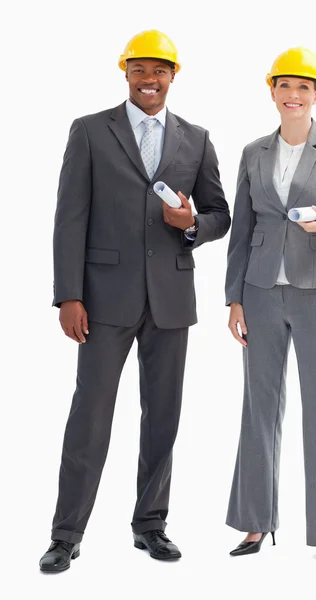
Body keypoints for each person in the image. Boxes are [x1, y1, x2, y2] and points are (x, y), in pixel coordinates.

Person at [39, 29, 230, 572]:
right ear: (125, 73)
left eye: (160, 71)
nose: (150, 80)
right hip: (102, 300)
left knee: (163, 417)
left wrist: (192, 223)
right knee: (90, 416)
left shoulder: (196, 138)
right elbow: (68, 218)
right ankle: (65, 533)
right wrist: (68, 295)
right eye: (140, 70)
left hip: (170, 298)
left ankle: (150, 524)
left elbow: (221, 215)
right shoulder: (91, 131)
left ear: (174, 76)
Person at [225, 47, 316, 566]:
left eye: (303, 88)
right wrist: (234, 298)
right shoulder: (252, 152)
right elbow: (241, 231)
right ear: (272, 90)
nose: (293, 96)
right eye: (284, 86)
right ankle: (253, 523)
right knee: (258, 407)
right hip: (261, 293)